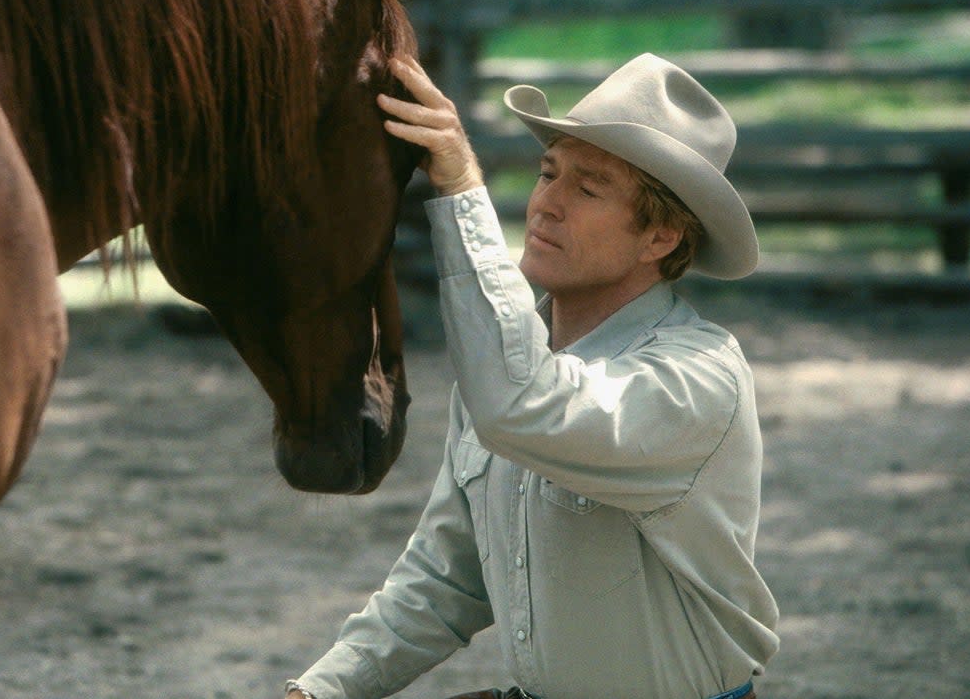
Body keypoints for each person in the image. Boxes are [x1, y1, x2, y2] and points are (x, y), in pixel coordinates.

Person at [284, 53, 779, 699]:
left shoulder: (697, 380)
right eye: (549, 173)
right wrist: (322, 690)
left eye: (588, 187)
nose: (546, 203)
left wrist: (462, 185)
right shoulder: (504, 368)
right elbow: (445, 577)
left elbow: (521, 404)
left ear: (660, 236)